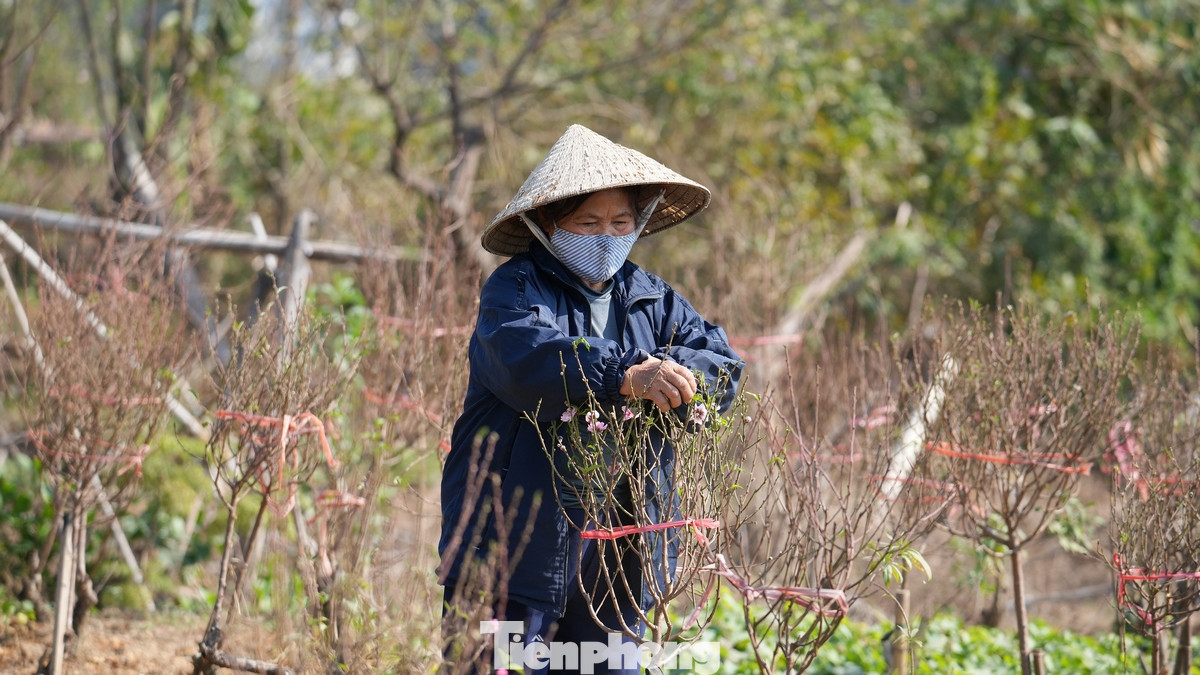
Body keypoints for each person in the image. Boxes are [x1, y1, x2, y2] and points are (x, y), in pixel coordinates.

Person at [438, 124, 743, 674]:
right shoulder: (514, 291)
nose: (607, 235)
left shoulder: (654, 298)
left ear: (639, 224)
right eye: (588, 223)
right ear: (548, 226)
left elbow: (721, 362)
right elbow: (524, 358)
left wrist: (684, 379)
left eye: (620, 222)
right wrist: (627, 373)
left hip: (619, 553)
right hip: (512, 549)